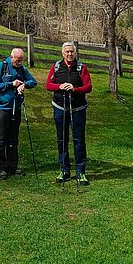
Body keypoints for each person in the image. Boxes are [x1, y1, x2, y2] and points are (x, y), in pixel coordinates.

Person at [46, 42, 92, 185]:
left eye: (72, 52)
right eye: (67, 52)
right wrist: (59, 86)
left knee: (78, 140)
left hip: (77, 109)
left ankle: (80, 172)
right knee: (62, 139)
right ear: (62, 53)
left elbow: (88, 87)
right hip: (60, 108)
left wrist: (74, 88)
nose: (70, 54)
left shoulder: (81, 68)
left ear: (75, 53)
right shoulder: (56, 67)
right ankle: (64, 170)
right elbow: (48, 85)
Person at [0, 48, 37, 179]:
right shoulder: (2, 67)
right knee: (0, 138)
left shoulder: (22, 69)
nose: (20, 62)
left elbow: (33, 81)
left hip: (16, 108)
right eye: (17, 60)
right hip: (2, 108)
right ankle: (1, 167)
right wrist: (11, 84)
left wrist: (24, 85)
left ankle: (12, 166)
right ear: (11, 58)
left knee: (13, 138)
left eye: (22, 60)